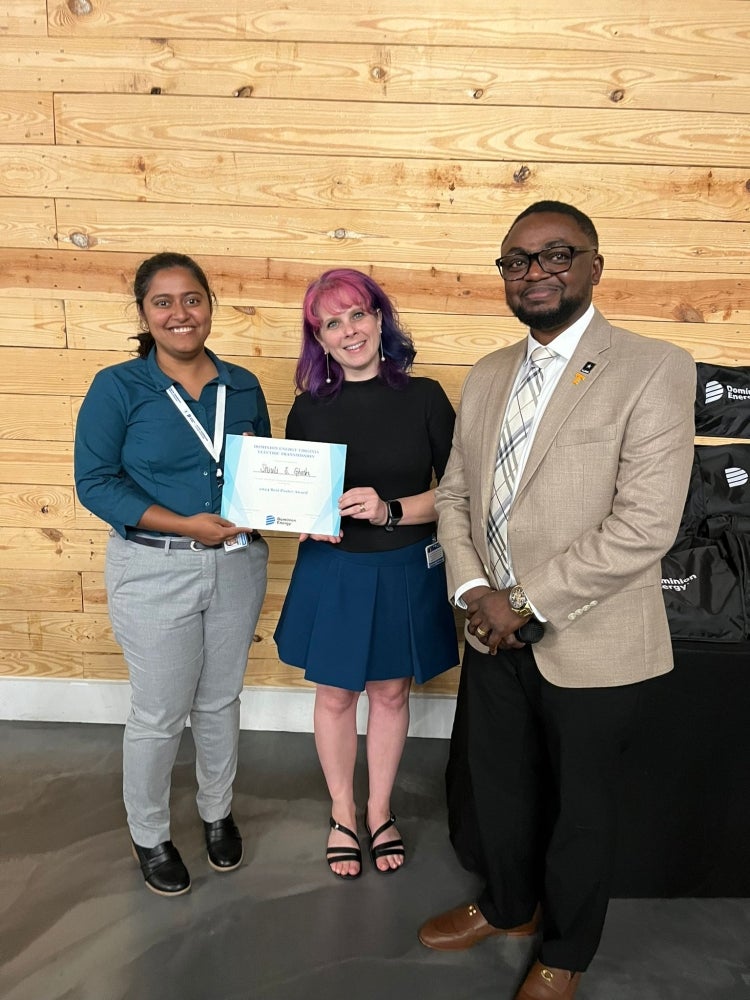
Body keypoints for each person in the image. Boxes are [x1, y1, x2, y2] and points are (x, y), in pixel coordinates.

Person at [418, 202, 695, 999]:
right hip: (490, 633)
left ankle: (565, 953)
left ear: (594, 266)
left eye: (555, 255)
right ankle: (507, 908)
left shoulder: (653, 366)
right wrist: (474, 589)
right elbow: (458, 494)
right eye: (516, 260)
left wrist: (526, 600)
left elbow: (646, 524)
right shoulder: (488, 372)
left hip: (593, 635)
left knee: (581, 810)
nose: (534, 272)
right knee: (499, 789)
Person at [74, 252, 270, 897]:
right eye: (164, 302)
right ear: (144, 314)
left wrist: (299, 510)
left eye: (192, 299)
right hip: (153, 569)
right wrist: (186, 525)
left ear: (210, 304)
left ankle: (216, 813)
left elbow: (261, 473)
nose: (180, 314)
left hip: (237, 567)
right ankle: (151, 832)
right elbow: (95, 483)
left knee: (219, 702)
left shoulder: (242, 387)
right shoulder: (118, 387)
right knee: (160, 713)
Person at [274, 268, 458, 879]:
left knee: (389, 692)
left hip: (404, 565)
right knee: (334, 695)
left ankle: (380, 811)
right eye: (333, 322)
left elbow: (459, 492)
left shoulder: (426, 397)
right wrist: (305, 519)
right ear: (319, 339)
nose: (349, 330)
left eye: (358, 315)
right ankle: (342, 813)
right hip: (334, 568)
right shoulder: (308, 409)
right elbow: (300, 497)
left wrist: (392, 510)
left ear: (380, 319)